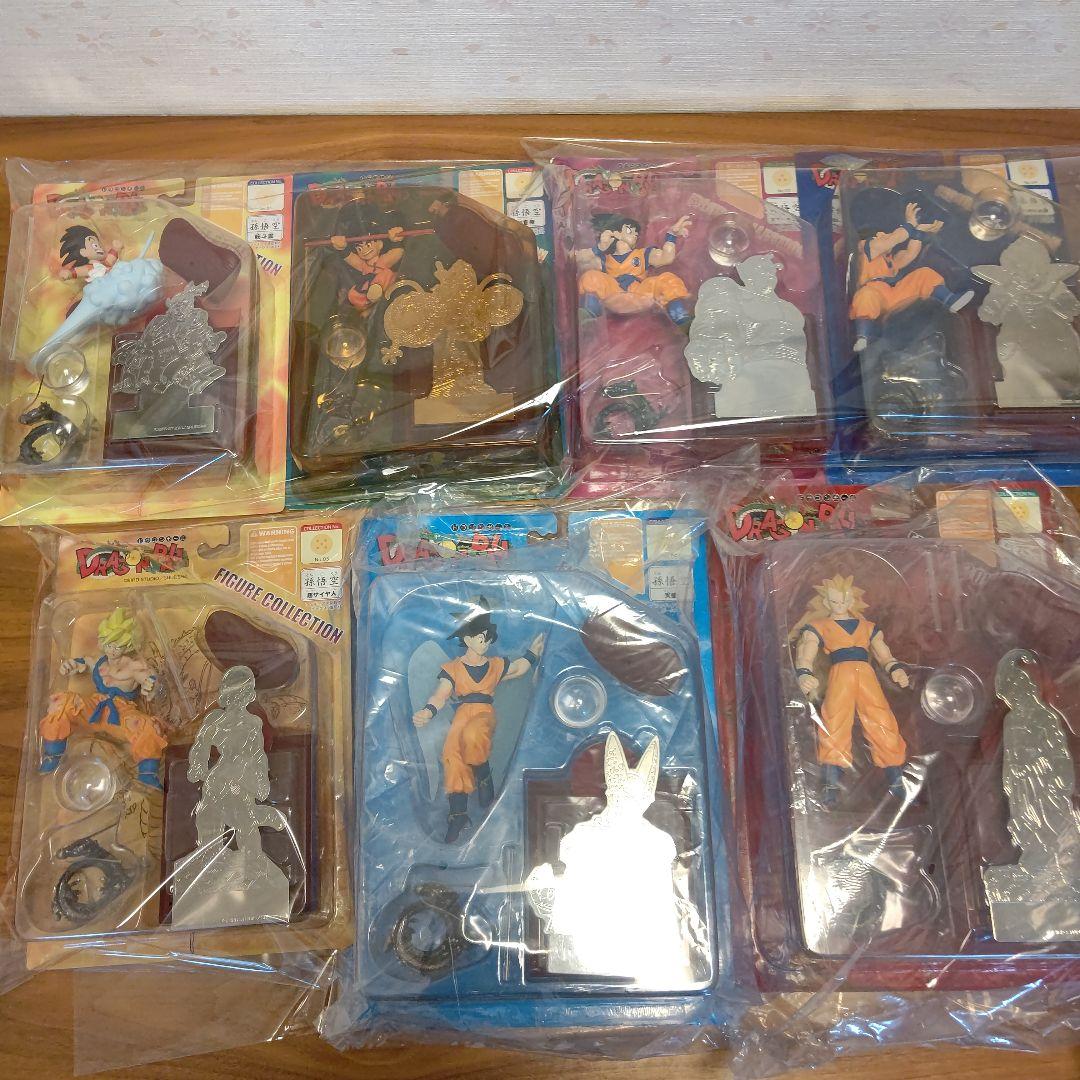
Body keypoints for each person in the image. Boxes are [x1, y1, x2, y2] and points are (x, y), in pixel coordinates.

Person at [413, 600, 544, 843]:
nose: (484, 642)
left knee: (473, 735)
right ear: (467, 638)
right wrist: (428, 711)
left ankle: (483, 776)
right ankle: (458, 815)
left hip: (483, 712)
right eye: (480, 637)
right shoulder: (453, 668)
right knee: (452, 755)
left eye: (487, 638)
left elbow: (518, 669)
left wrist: (533, 653)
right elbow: (441, 694)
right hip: (462, 713)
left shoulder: (494, 665)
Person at [792, 574, 910, 805]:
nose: (839, 605)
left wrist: (895, 669)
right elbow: (806, 653)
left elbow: (884, 655)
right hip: (840, 676)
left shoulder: (868, 627)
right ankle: (831, 784)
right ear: (825, 602)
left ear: (852, 600)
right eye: (834, 601)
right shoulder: (819, 626)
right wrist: (804, 673)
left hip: (867, 676)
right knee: (835, 723)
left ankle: (896, 779)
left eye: (843, 600)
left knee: (882, 721)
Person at [39, 607, 166, 789]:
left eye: (118, 646)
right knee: (64, 702)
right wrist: (70, 665)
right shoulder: (99, 661)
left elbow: (149, 678)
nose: (112, 650)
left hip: (121, 713)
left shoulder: (134, 666)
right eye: (108, 644)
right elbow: (82, 662)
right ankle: (53, 754)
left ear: (129, 644)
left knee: (147, 726)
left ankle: (148, 773)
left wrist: (150, 685)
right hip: (95, 707)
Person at [849, 200, 974, 352]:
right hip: (874, 291)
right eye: (882, 235)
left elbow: (910, 254)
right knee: (866, 296)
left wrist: (919, 231)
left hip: (893, 294)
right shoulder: (867, 247)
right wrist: (909, 224)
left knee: (924, 274)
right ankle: (863, 337)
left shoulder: (890, 260)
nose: (886, 236)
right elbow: (892, 240)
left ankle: (950, 300)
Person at [576, 212, 692, 325]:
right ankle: (588, 314)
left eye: (636, 233)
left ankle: (680, 317)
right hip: (613, 293)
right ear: (615, 233)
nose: (634, 234)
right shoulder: (605, 259)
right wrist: (599, 248)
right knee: (591, 276)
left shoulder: (643, 254)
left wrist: (671, 235)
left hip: (640, 293)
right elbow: (577, 260)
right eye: (629, 230)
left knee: (667, 279)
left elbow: (666, 258)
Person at [58, 225, 123, 283]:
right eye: (95, 245)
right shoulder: (90, 268)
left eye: (99, 245)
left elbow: (110, 261)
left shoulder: (103, 263)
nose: (100, 248)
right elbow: (78, 272)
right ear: (83, 251)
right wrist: (68, 273)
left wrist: (115, 249)